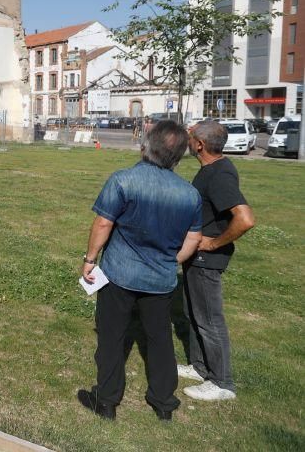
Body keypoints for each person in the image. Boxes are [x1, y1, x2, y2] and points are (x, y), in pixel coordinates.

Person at [78, 120, 203, 421]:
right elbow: (194, 238)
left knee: (111, 336)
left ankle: (106, 400)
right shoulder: (189, 194)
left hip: (119, 274)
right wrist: (172, 261)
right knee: (160, 338)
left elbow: (104, 222)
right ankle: (163, 402)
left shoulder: (123, 180)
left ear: (147, 145)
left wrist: (90, 259)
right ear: (178, 156)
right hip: (160, 280)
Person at [179, 121, 255, 401]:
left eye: (190, 136)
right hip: (195, 256)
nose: (188, 140)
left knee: (209, 319)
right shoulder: (210, 169)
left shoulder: (219, 174)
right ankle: (200, 367)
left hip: (206, 259)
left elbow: (245, 219)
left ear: (199, 144)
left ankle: (222, 383)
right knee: (193, 313)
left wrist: (212, 243)